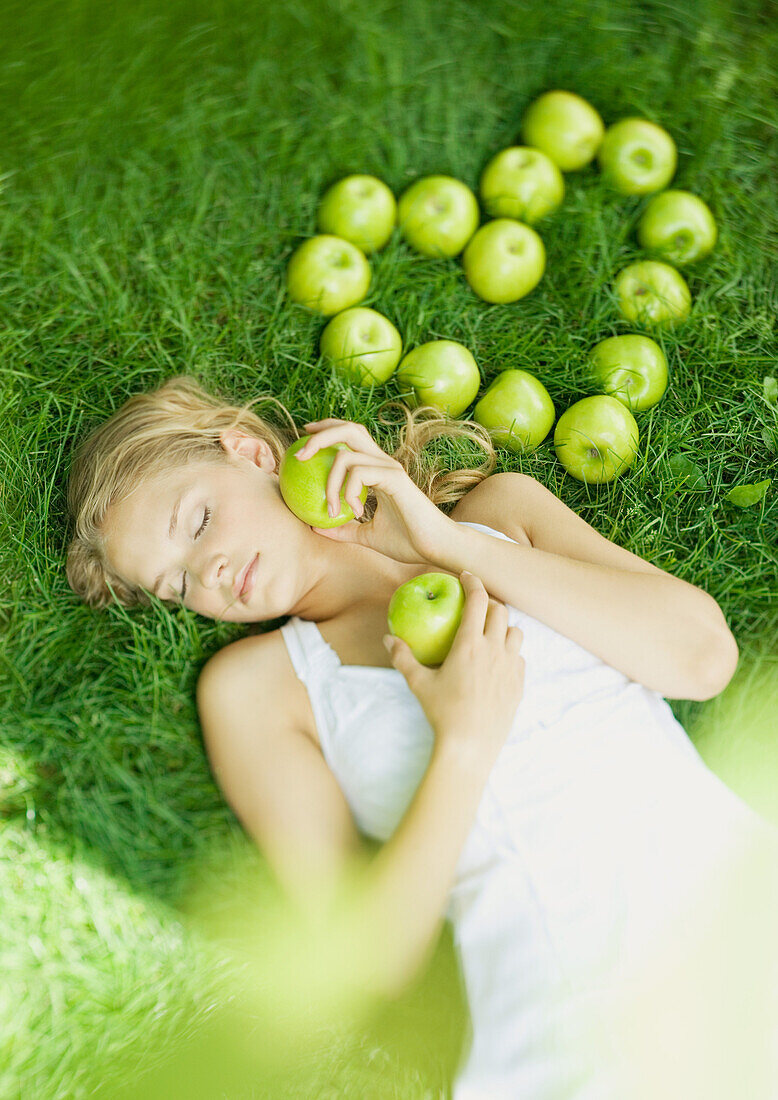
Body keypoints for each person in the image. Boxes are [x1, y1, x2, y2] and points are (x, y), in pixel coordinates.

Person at [65, 374, 778, 1099]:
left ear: (249, 455)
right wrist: (465, 741)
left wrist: (448, 543)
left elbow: (702, 658)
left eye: (199, 522)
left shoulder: (503, 517)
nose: (207, 572)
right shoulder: (259, 691)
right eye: (178, 586)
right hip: (567, 1045)